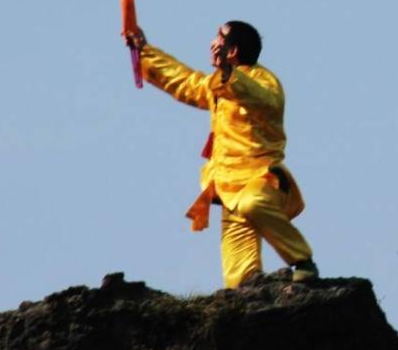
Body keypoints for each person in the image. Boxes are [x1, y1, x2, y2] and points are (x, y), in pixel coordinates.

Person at [124, 20, 318, 288]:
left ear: (233, 51)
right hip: (228, 185)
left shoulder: (264, 81)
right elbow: (183, 81)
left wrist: (228, 74)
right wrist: (144, 51)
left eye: (219, 36)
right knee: (239, 278)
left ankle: (303, 260)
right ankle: (252, 295)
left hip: (263, 179)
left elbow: (263, 100)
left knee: (252, 202)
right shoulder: (217, 85)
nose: (212, 41)